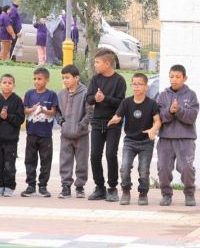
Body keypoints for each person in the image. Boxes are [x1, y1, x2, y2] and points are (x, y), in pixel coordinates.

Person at [108, 73, 161, 205]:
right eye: (134, 84)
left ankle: (143, 193)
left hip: (146, 142)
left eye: (139, 84)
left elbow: (158, 121)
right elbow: (118, 116)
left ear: (146, 87)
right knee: (125, 168)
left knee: (143, 170)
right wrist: (115, 119)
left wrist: (153, 130)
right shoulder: (126, 102)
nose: (136, 87)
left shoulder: (152, 104)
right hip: (130, 141)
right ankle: (126, 191)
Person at [156, 64, 200, 207]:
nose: (174, 79)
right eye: (171, 76)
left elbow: (192, 117)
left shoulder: (191, 95)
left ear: (184, 78)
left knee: (187, 168)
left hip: (186, 139)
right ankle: (166, 194)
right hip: (165, 139)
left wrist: (179, 110)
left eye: (178, 77)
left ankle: (189, 194)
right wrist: (170, 111)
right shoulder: (163, 95)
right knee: (163, 168)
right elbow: (159, 117)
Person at [87, 49, 127, 202]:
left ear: (107, 63)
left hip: (113, 123)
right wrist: (95, 98)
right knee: (94, 155)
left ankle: (112, 188)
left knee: (111, 154)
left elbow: (121, 103)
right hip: (97, 122)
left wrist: (104, 99)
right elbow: (88, 98)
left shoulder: (119, 81)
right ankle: (99, 187)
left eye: (97, 62)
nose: (95, 65)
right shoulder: (95, 79)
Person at [22, 67, 59, 197]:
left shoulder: (51, 95)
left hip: (45, 135)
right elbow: (25, 110)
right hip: (31, 133)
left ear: (47, 80)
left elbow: (53, 112)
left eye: (39, 79)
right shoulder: (29, 94)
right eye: (35, 79)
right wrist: (32, 109)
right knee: (30, 160)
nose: (36, 81)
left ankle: (43, 186)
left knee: (46, 161)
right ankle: (30, 185)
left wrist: (43, 110)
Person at [0, 74, 24, 197]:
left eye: (9, 83)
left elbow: (20, 119)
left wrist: (8, 116)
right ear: (0, 85)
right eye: (4, 82)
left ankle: (9, 186)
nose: (7, 85)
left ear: (14, 86)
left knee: (9, 165)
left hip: (11, 140)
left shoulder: (17, 100)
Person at [56, 64, 89, 199]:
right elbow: (57, 112)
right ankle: (65, 186)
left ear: (77, 78)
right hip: (65, 134)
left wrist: (81, 126)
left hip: (82, 135)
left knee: (82, 161)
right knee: (65, 160)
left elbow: (90, 112)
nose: (65, 80)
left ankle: (80, 186)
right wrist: (62, 123)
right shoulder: (61, 94)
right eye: (63, 78)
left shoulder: (86, 93)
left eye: (68, 77)